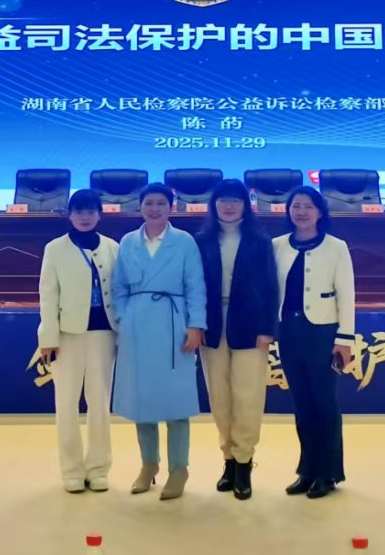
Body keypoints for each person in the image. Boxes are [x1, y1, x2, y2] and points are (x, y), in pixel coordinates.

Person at [111, 182, 206, 500]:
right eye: (149, 203)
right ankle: (148, 464)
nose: (154, 209)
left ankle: (179, 468)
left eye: (160, 203)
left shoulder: (184, 241)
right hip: (137, 326)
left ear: (171, 207)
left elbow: (195, 286)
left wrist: (195, 325)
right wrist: (123, 318)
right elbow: (118, 287)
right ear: (140, 207)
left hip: (173, 325)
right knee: (142, 400)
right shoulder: (128, 242)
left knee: (176, 401)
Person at [194, 178, 279, 501]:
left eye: (235, 200)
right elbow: (193, 287)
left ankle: (244, 462)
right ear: (213, 205)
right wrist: (195, 324)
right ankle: (228, 460)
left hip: (250, 325)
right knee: (219, 396)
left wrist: (268, 327)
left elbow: (270, 287)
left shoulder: (259, 241)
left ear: (246, 205)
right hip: (212, 325)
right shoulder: (201, 241)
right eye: (223, 200)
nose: (228, 206)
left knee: (248, 395)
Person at [273, 184, 356, 499]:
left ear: (320, 212)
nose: (301, 212)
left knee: (325, 403)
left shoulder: (336, 247)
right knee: (302, 404)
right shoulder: (277, 246)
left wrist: (345, 339)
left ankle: (329, 473)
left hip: (323, 334)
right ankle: (307, 470)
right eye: (296, 206)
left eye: (308, 206)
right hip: (289, 333)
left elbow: (346, 295)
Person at [37, 189, 119, 494]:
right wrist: (48, 337)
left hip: (104, 333)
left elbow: (120, 292)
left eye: (90, 211)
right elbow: (48, 295)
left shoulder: (112, 247)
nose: (85, 216)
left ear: (100, 214)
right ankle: (71, 470)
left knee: (100, 403)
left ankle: (98, 469)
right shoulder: (55, 248)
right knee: (66, 403)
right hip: (67, 336)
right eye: (79, 211)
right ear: (69, 215)